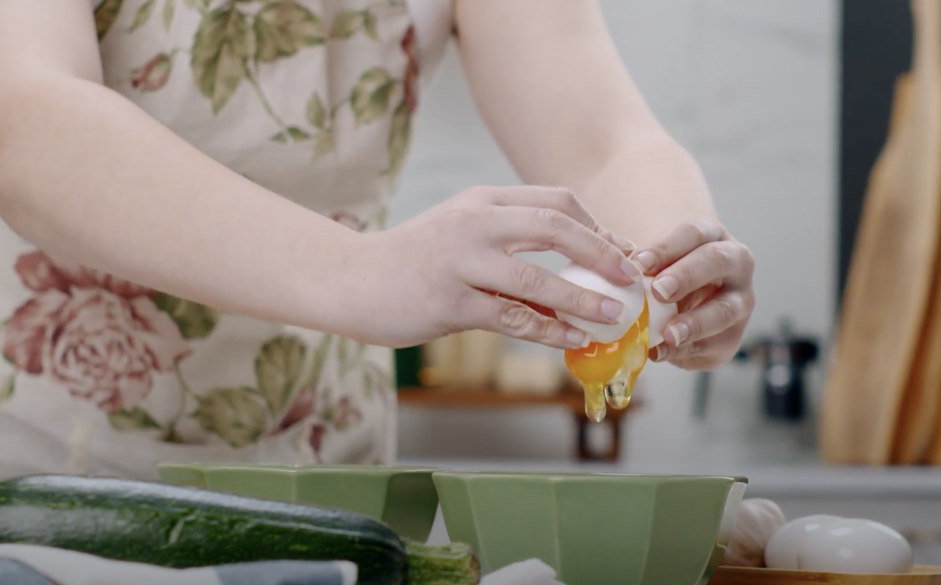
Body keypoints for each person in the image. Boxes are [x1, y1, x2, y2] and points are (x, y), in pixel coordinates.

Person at [0, 0, 755, 480]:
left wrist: (673, 269)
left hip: (331, 482)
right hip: (54, 491)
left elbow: (603, 142)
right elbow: (26, 116)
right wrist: (361, 273)